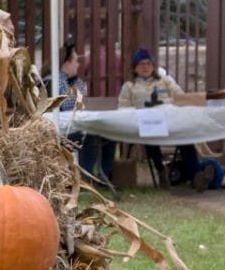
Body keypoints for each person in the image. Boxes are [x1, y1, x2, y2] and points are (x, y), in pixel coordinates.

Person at [116, 48, 198, 185]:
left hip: (169, 122)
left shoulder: (164, 81)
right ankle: (161, 171)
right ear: (135, 68)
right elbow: (122, 107)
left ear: (153, 66)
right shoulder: (129, 86)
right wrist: (138, 111)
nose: (145, 67)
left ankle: (196, 176)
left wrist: (164, 102)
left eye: (148, 64)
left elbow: (181, 97)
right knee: (150, 135)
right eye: (141, 64)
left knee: (186, 136)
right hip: (145, 124)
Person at [54, 44, 114, 184]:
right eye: (75, 61)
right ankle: (86, 179)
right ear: (66, 63)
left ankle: (103, 176)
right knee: (91, 135)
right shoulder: (56, 80)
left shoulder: (74, 82)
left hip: (73, 124)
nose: (78, 65)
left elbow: (82, 100)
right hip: (63, 129)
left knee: (108, 134)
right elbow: (69, 105)